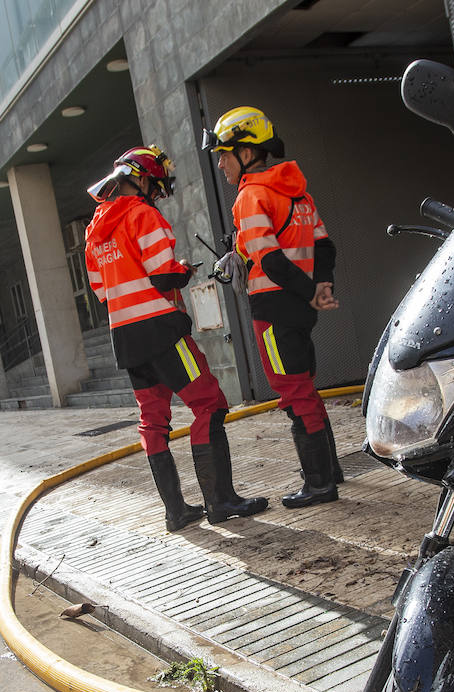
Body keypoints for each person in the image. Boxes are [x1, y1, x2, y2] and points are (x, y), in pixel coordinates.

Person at [84, 145, 268, 531]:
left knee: (152, 422)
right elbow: (162, 276)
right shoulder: (143, 216)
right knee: (210, 404)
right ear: (145, 179)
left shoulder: (94, 230)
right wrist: (182, 270)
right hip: (162, 330)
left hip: (125, 337)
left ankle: (176, 512)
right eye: (157, 183)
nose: (158, 191)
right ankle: (221, 502)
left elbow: (101, 290)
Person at [203, 106, 343, 509]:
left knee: (293, 392)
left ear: (246, 152)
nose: (221, 164)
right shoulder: (297, 191)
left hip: (275, 308)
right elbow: (323, 247)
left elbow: (272, 262)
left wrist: (307, 291)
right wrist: (319, 291)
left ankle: (319, 485)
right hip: (301, 309)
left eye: (224, 154)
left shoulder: (250, 196)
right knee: (306, 388)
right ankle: (330, 472)